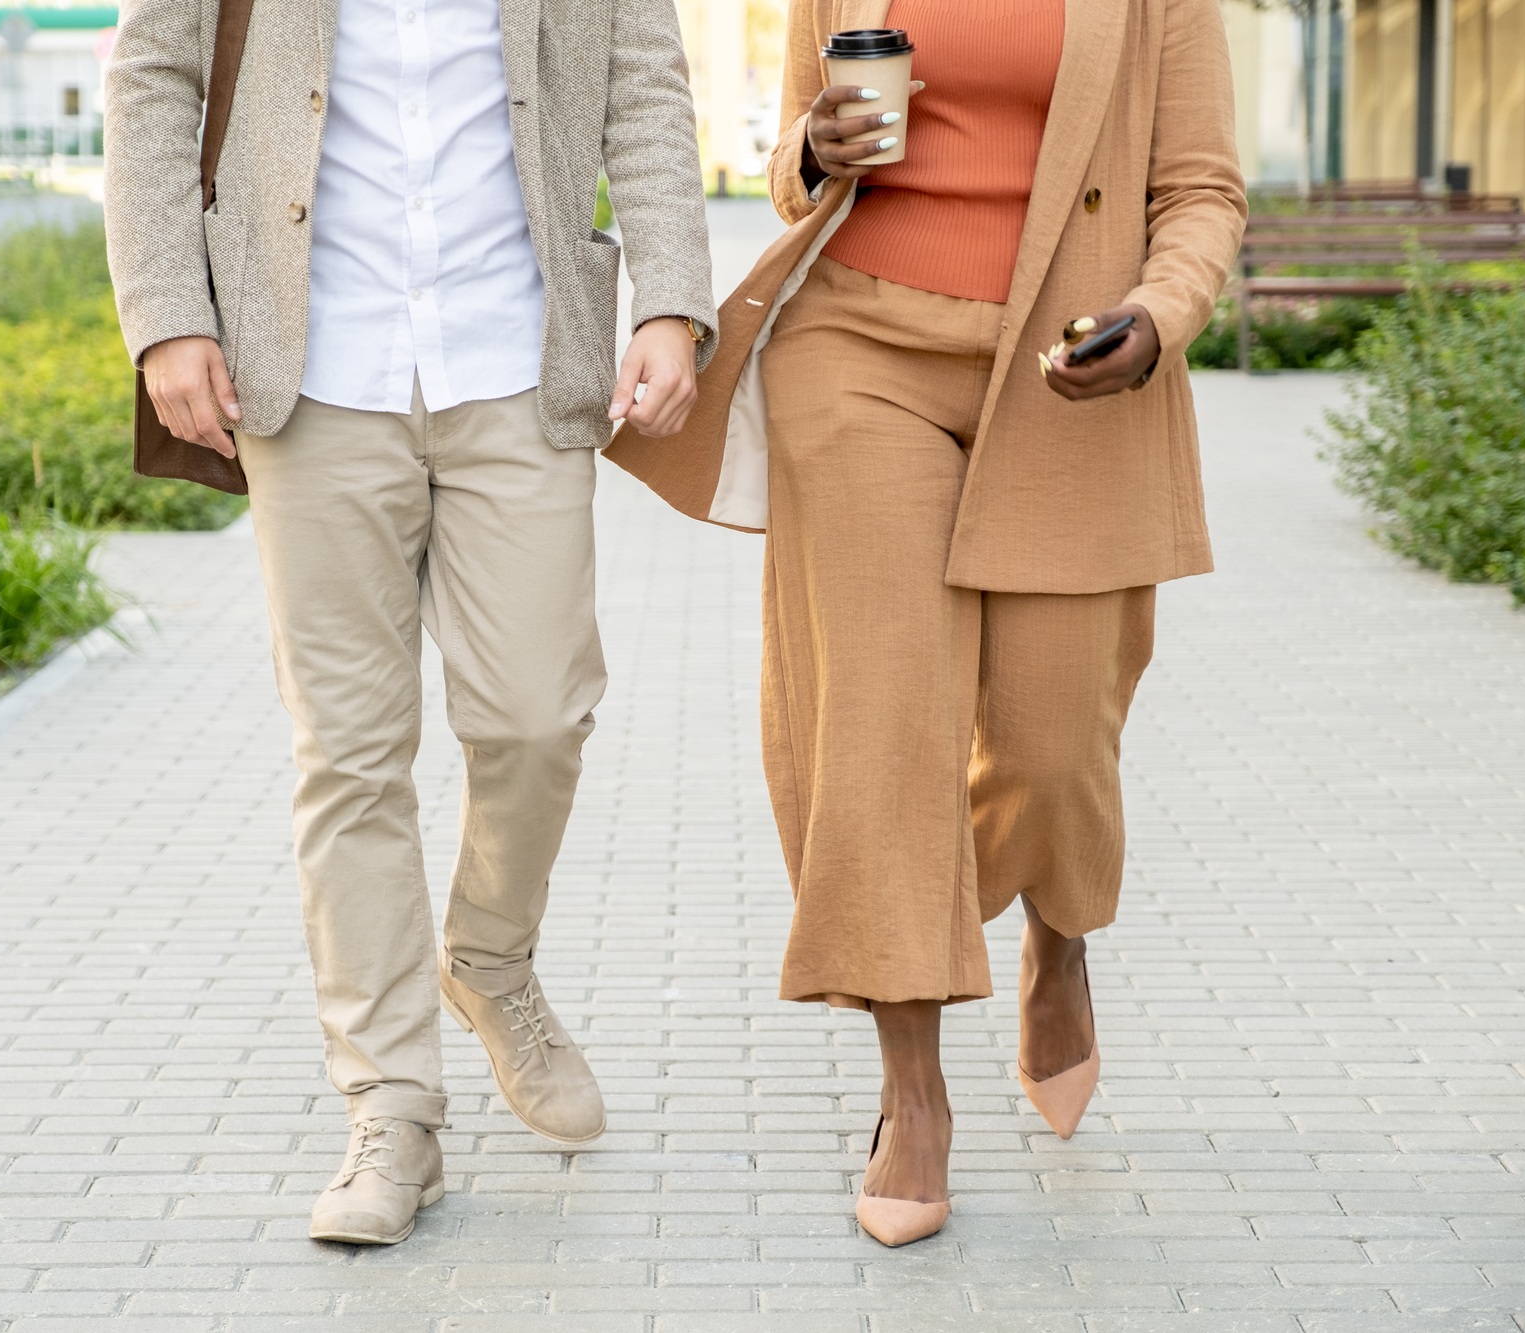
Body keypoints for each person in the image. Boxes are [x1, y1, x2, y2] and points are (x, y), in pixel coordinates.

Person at [605, 0, 1244, 1247]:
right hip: (856, 348)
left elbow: (1202, 187)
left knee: (1056, 743)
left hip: (1067, 367)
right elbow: (795, 168)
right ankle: (913, 1094)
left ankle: (1056, 938)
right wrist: (812, 152)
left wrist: (1159, 316)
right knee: (880, 728)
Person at [103, 0, 716, 1245]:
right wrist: (166, 311)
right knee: (349, 754)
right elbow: (152, 82)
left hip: (517, 351)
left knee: (539, 714)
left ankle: (488, 956)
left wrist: (670, 300)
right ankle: (392, 1108)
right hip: (311, 364)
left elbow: (644, 89)